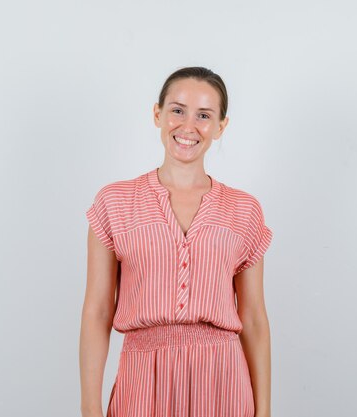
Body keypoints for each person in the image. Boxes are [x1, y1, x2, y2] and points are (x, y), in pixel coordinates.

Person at [79, 66, 273, 417]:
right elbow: (97, 311)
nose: (188, 126)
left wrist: (264, 411)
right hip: (142, 380)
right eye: (178, 110)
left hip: (222, 381)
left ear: (220, 126)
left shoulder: (244, 210)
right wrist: (90, 407)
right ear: (158, 114)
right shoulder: (115, 202)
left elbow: (254, 317)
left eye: (203, 115)